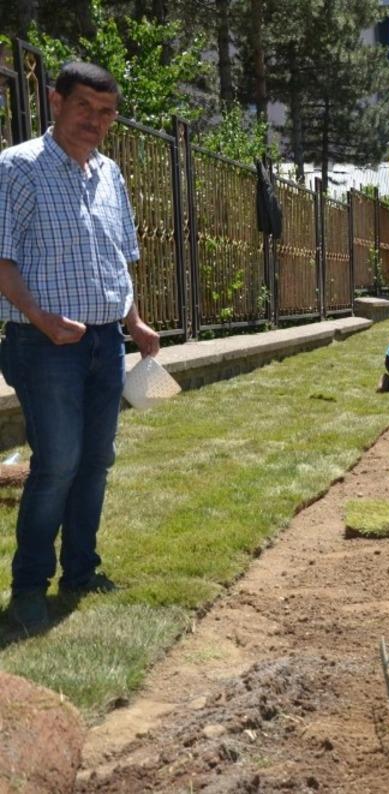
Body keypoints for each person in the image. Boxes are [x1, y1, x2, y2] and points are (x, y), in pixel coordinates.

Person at [0, 62, 161, 634]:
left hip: (105, 343)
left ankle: (80, 571)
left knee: (96, 461)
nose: (95, 121)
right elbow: (3, 261)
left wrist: (134, 323)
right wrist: (42, 320)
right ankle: (27, 589)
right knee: (58, 464)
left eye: (106, 112)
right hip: (42, 345)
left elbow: (118, 258)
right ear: (55, 100)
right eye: (84, 107)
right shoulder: (17, 167)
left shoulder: (110, 174)